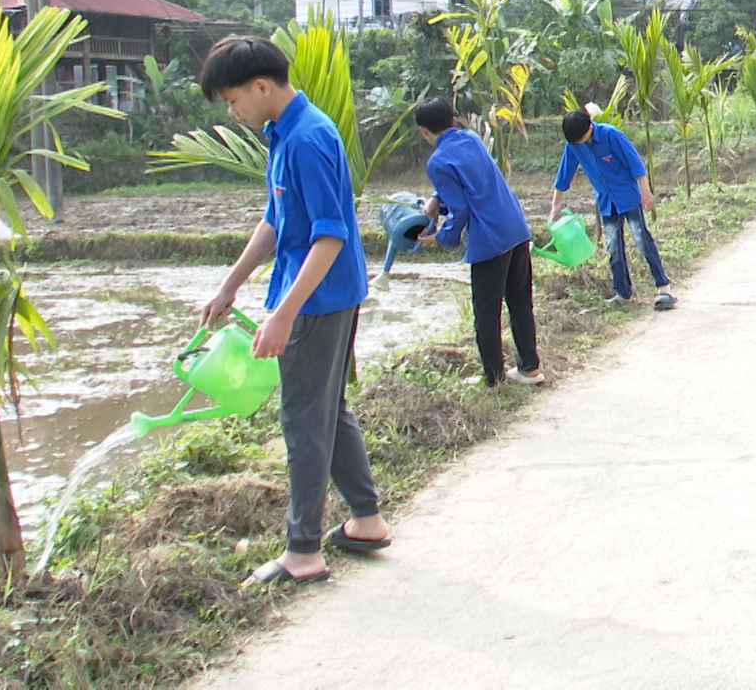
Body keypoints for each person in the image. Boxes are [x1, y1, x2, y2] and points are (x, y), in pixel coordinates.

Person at [196, 36, 389, 587]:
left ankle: (303, 551)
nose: (233, 114)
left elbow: (329, 235)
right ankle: (366, 519)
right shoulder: (283, 133)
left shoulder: (307, 139)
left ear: (261, 87)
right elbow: (276, 218)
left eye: (234, 102)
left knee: (303, 420)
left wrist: (283, 313)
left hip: (317, 299)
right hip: (318, 295)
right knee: (326, 409)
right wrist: (231, 284)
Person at [414, 97, 542, 388]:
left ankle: (494, 378)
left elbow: (461, 210)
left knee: (486, 311)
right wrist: (437, 197)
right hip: (515, 227)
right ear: (454, 120)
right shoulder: (470, 138)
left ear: (423, 131)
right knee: (520, 301)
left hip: (490, 239)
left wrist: (440, 237)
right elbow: (469, 180)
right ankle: (530, 368)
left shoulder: (437, 161)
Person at [550, 109, 677, 311]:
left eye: (580, 139)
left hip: (628, 195)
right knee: (613, 248)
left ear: (590, 127)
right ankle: (623, 293)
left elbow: (634, 162)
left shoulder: (611, 134)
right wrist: (555, 204)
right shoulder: (574, 145)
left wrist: (646, 191)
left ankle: (664, 287)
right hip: (606, 201)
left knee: (641, 239)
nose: (578, 144)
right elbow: (564, 174)